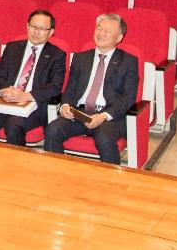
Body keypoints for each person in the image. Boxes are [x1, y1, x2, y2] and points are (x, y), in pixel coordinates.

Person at [43, 13, 140, 166]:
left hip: (108, 116)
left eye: (107, 31)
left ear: (119, 37)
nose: (101, 33)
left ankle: (110, 181)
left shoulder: (128, 61)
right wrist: (65, 105)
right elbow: (70, 89)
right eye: (99, 28)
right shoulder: (81, 58)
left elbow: (128, 98)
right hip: (80, 113)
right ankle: (57, 173)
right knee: (52, 130)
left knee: (104, 139)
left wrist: (103, 116)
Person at [0, 10, 66, 147]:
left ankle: (16, 166)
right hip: (7, 101)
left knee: (14, 125)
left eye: (42, 29)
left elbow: (55, 87)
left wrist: (25, 96)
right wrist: (4, 91)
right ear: (27, 27)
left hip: (34, 105)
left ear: (51, 32)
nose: (36, 31)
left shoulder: (57, 55)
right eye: (33, 27)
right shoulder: (13, 48)